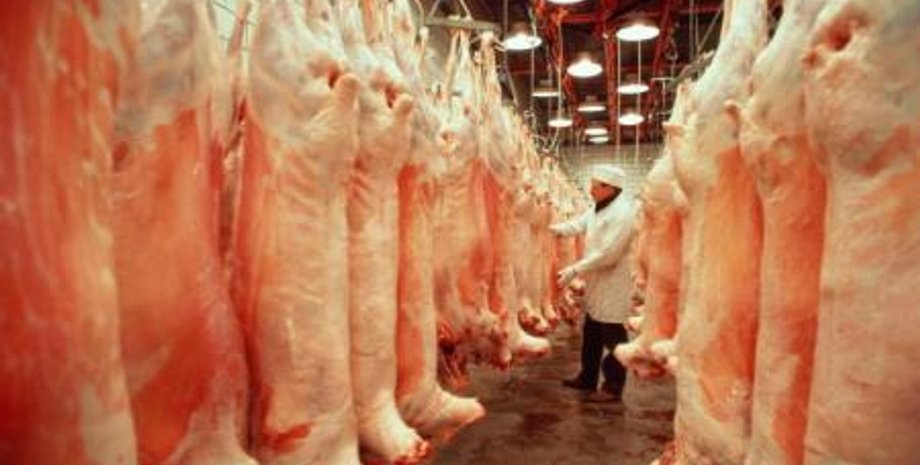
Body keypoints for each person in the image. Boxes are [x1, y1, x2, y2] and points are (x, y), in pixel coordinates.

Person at [550, 164, 637, 398]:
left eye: (595, 186)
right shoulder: (599, 207)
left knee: (613, 338)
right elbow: (579, 225)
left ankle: (613, 387)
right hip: (596, 282)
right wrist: (553, 230)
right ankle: (587, 378)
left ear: (610, 188)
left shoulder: (623, 214)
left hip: (612, 283)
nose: (590, 190)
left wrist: (574, 269)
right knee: (591, 335)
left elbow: (609, 255)